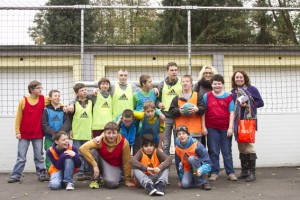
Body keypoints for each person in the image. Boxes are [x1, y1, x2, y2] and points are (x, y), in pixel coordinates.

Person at [8, 80, 52, 183]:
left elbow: (55, 101)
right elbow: (18, 117)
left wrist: (66, 107)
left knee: (39, 156)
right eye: (38, 88)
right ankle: (15, 176)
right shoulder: (23, 100)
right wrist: (17, 132)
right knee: (21, 157)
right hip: (24, 134)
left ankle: (41, 174)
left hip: (38, 134)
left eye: (40, 88)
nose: (40, 89)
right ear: (32, 89)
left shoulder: (44, 99)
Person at [201, 74, 237, 181]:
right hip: (211, 128)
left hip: (225, 128)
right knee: (213, 151)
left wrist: (230, 128)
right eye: (215, 84)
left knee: (226, 151)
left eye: (219, 84)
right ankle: (214, 172)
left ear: (222, 85)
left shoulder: (228, 96)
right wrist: (203, 127)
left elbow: (232, 112)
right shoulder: (207, 96)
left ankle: (230, 172)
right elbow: (203, 113)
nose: (217, 86)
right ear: (212, 85)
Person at [231, 70, 264, 182]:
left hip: (248, 121)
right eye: (237, 77)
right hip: (237, 122)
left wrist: (248, 103)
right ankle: (244, 171)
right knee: (241, 146)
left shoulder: (251, 89)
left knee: (249, 146)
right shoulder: (233, 92)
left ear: (244, 78)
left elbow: (260, 102)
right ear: (234, 79)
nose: (239, 79)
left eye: (241, 77)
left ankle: (252, 173)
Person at [79, 122, 134, 189]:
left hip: (114, 166)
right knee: (92, 151)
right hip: (101, 162)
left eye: (114, 133)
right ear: (104, 133)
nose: (111, 136)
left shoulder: (124, 142)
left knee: (112, 184)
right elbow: (83, 148)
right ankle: (96, 179)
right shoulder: (99, 140)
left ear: (118, 133)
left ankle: (106, 177)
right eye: (109, 133)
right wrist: (94, 165)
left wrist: (127, 180)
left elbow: (126, 162)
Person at [169, 75, 206, 142]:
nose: (185, 83)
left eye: (187, 81)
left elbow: (203, 109)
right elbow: (171, 111)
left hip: (195, 132)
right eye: (183, 81)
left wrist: (197, 109)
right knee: (182, 151)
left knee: (196, 151)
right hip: (181, 133)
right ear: (181, 83)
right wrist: (179, 111)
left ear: (191, 83)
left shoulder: (198, 96)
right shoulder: (176, 98)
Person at [175, 125, 212, 190]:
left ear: (188, 135)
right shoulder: (177, 148)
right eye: (179, 134)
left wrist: (201, 170)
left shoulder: (197, 145)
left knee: (191, 158)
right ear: (177, 136)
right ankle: (195, 179)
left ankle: (203, 182)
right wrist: (181, 178)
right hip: (188, 169)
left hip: (198, 168)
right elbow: (179, 164)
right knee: (185, 185)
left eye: (183, 133)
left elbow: (208, 164)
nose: (181, 136)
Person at [157, 62, 182, 156]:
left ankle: (179, 163)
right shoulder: (161, 84)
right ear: (167, 71)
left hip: (178, 117)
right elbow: (156, 100)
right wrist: (159, 104)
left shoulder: (181, 83)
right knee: (166, 143)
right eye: (171, 70)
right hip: (166, 117)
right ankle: (166, 164)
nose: (174, 72)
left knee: (179, 142)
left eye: (175, 70)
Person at [42, 90, 71, 172]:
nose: (57, 97)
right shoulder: (46, 110)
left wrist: (60, 134)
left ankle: (63, 171)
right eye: (55, 96)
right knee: (49, 154)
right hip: (49, 137)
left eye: (59, 96)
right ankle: (50, 171)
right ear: (50, 98)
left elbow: (67, 123)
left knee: (63, 153)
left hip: (61, 138)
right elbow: (44, 125)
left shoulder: (63, 110)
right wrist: (54, 134)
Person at [69, 83, 93, 181]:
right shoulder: (73, 104)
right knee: (78, 153)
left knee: (87, 152)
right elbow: (69, 118)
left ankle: (87, 171)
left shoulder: (91, 102)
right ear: (76, 93)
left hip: (88, 132)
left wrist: (92, 130)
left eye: (85, 90)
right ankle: (80, 171)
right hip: (77, 132)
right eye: (82, 90)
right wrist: (70, 130)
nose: (85, 92)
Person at [193, 66, 218, 147]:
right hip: (200, 115)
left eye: (210, 73)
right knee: (201, 141)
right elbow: (193, 98)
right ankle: (203, 158)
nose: (208, 75)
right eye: (206, 73)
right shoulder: (198, 85)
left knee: (212, 142)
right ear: (202, 74)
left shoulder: (216, 85)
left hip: (212, 116)